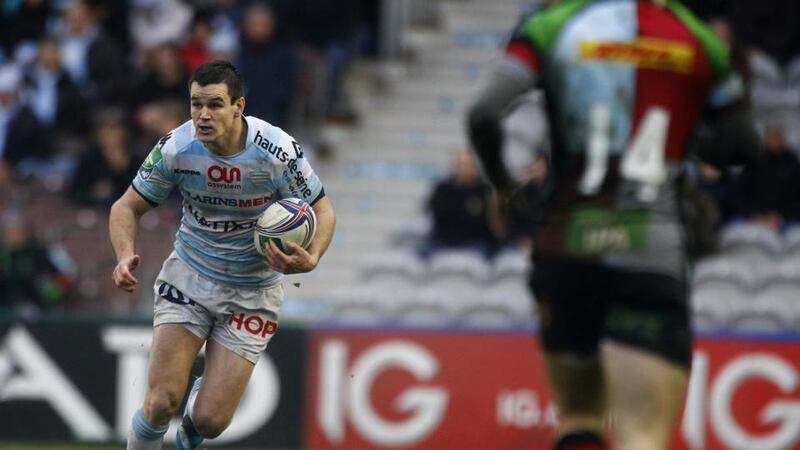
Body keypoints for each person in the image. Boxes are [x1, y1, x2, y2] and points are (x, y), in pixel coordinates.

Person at [467, 1, 759, 450]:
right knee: (641, 434)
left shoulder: (553, 24)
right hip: (651, 250)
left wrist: (503, 184)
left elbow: (484, 113)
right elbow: (741, 144)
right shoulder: (697, 38)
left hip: (565, 246)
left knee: (577, 417)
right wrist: (681, 141)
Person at [109, 60, 335, 450]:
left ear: (238, 106)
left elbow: (324, 210)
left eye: (214, 104)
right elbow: (125, 207)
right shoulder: (176, 148)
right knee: (161, 401)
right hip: (190, 276)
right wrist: (125, 254)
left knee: (211, 421)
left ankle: (195, 424)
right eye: (196, 104)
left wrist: (311, 257)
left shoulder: (276, 151)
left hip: (253, 291)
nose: (203, 115)